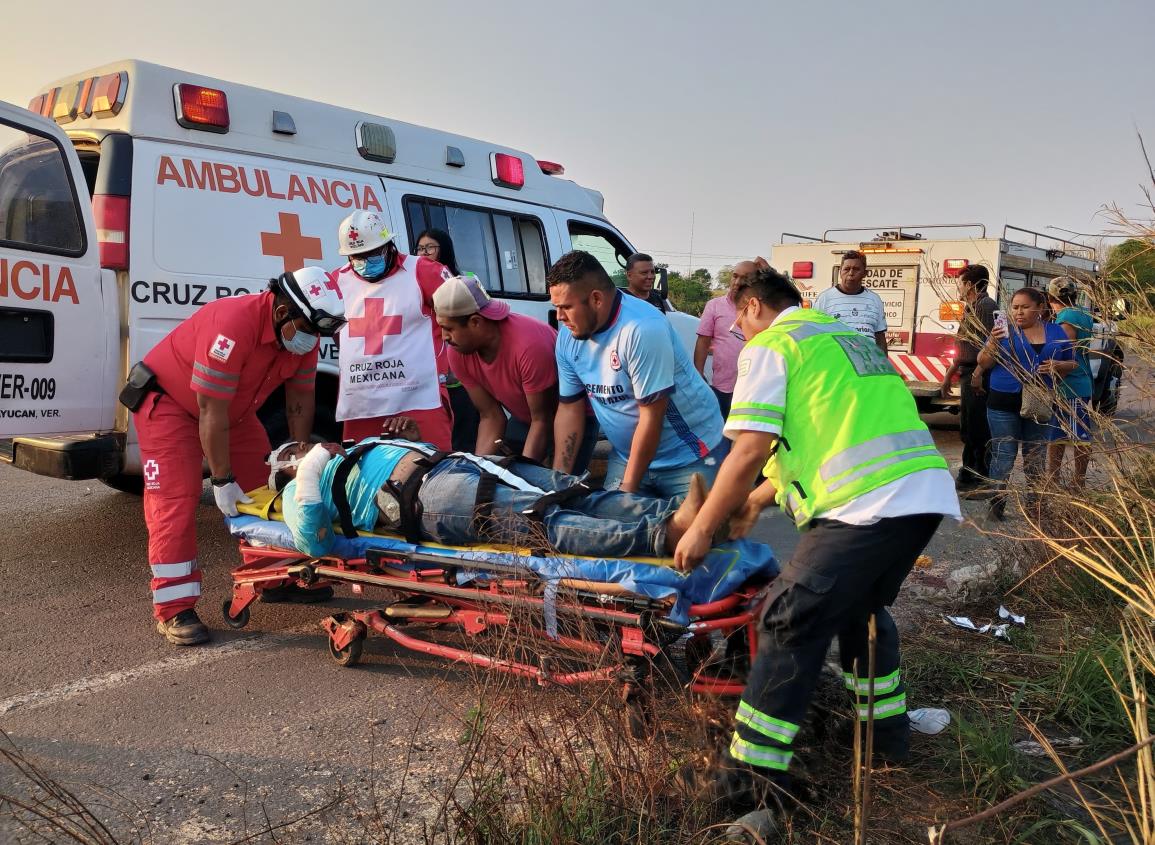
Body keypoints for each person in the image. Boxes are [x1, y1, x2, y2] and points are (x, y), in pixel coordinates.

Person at [672, 266, 959, 818]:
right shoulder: (841, 339)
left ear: (754, 305)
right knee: (861, 613)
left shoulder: (774, 346)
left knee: (786, 619)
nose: (741, 335)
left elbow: (750, 449)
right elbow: (824, 429)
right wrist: (756, 502)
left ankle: (747, 783)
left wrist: (705, 526)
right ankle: (885, 742)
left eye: (739, 324)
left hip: (865, 505)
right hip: (918, 494)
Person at [131, 267, 345, 645]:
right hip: (171, 407)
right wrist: (221, 479)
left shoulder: (303, 336)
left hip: (235, 414)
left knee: (268, 488)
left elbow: (300, 402)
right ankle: (174, 606)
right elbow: (209, 408)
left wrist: (295, 455)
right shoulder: (232, 323)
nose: (313, 340)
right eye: (310, 330)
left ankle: (274, 576)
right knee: (174, 502)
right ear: (282, 313)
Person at [270, 417, 718, 559]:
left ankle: (696, 518)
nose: (308, 449)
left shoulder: (352, 446)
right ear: (289, 471)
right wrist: (309, 470)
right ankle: (665, 536)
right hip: (430, 501)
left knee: (574, 491)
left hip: (459, 465)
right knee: (546, 521)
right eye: (297, 453)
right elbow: (313, 540)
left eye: (305, 445)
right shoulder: (299, 489)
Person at [549, 250, 727, 498]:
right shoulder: (569, 337)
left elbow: (651, 417)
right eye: (556, 307)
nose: (559, 317)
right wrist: (559, 482)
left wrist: (627, 493)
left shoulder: (641, 329)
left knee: (695, 535)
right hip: (627, 455)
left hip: (689, 456)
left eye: (566, 307)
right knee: (614, 531)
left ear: (597, 299)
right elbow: (569, 409)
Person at [434, 274, 598, 472]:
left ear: (476, 322)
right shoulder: (458, 351)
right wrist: (478, 471)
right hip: (526, 418)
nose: (444, 337)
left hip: (572, 419)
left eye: (448, 328)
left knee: (558, 489)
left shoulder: (528, 346)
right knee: (493, 478)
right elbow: (490, 416)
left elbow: (543, 420)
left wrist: (525, 479)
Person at [330, 211, 453, 449]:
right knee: (363, 474)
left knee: (433, 471)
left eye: (372, 253)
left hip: (419, 398)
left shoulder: (424, 271)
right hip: (363, 403)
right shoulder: (337, 281)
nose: (365, 261)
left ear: (388, 245)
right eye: (357, 256)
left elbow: (465, 309)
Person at [977, 287, 1076, 521]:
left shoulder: (1057, 332)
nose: (1019, 312)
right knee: (1004, 453)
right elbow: (983, 361)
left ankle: (1036, 506)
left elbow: (1072, 362)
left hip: (1039, 401)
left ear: (1040, 308)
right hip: (1003, 401)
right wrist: (992, 339)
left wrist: (1059, 366)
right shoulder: (1004, 331)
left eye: (1024, 307)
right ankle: (996, 504)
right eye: (1015, 307)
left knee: (1035, 454)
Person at [415, 228, 481, 452]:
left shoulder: (465, 281)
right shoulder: (413, 285)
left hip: (462, 376)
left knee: (464, 437)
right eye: (420, 248)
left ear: (444, 249)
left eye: (430, 247)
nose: (424, 253)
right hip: (433, 375)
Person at [939, 265, 998, 495]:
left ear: (971, 285)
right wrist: (948, 376)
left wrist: (977, 374)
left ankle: (978, 477)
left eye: (961, 283)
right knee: (968, 428)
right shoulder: (971, 307)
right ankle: (968, 474)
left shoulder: (985, 306)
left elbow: (991, 346)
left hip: (977, 374)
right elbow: (964, 345)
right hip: (967, 371)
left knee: (977, 429)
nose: (958, 288)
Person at [1045, 276, 1095, 489]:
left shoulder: (1065, 317)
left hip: (1070, 384)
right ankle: (1061, 479)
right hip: (1080, 381)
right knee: (1061, 434)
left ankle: (1074, 481)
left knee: (1076, 436)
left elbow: (1067, 353)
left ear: (1050, 298)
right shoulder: (1083, 314)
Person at [695, 261, 757, 417]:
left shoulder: (762, 308)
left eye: (745, 278)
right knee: (723, 432)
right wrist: (697, 375)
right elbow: (703, 342)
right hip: (723, 387)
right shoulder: (714, 306)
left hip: (754, 387)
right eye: (735, 276)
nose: (737, 283)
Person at [813, 250, 888, 352]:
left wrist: (884, 365)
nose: (851, 273)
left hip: (866, 364)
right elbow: (815, 334)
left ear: (865, 273)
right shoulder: (825, 299)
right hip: (837, 363)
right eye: (846, 269)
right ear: (840, 272)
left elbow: (880, 337)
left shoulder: (874, 300)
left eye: (856, 269)